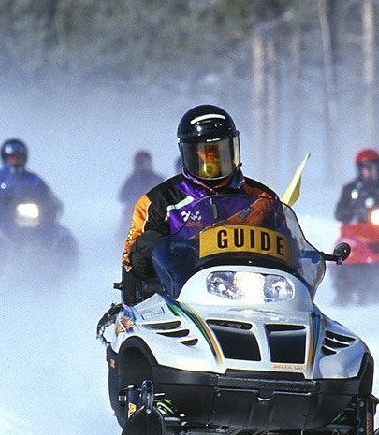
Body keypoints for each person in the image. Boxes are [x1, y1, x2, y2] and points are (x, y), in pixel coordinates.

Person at [120, 105, 280, 304]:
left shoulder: (262, 199)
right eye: (205, 154)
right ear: (188, 154)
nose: (213, 163)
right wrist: (146, 255)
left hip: (253, 295)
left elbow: (289, 247)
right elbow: (131, 260)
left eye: (221, 152)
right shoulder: (159, 201)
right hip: (182, 297)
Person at [0, 138, 60, 224]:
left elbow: (49, 196)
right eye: (11, 158)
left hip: (33, 223)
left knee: (62, 233)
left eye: (18, 157)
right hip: (1, 223)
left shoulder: (34, 179)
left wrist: (52, 207)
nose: (15, 161)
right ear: (4, 158)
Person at [334, 148, 379, 223]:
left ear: (378, 168)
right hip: (356, 230)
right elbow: (339, 214)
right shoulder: (350, 189)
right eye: (365, 167)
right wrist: (353, 210)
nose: (369, 171)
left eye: (372, 167)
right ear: (359, 169)